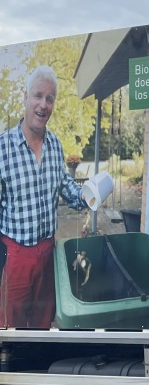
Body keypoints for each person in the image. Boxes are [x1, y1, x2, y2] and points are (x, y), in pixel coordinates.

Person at [0, 65, 87, 328]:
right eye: (38, 95)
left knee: (42, 321)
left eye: (49, 99)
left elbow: (66, 186)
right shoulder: (3, 148)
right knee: (10, 325)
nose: (43, 104)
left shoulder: (55, 145)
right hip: (15, 256)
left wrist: (88, 195)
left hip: (48, 252)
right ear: (25, 98)